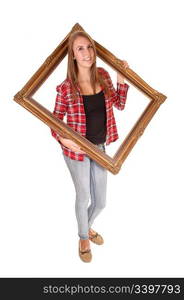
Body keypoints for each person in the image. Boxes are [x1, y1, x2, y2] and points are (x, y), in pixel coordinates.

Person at [51, 30, 130, 263]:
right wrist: (63, 139)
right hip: (76, 151)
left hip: (99, 148)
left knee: (101, 201)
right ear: (73, 55)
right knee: (83, 195)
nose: (87, 53)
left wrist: (121, 77)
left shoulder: (103, 75)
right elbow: (53, 120)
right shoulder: (66, 87)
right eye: (80, 49)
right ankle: (84, 238)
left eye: (89, 47)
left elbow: (120, 105)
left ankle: (88, 226)